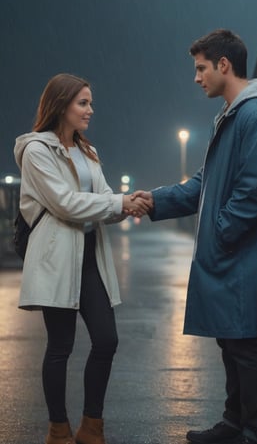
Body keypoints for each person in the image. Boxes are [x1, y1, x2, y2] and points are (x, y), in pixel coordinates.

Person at [132, 29, 257, 444]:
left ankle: (256, 431)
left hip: (244, 255)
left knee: (246, 345)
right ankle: (234, 423)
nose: (197, 78)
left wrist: (220, 233)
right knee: (231, 342)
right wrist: (156, 199)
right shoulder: (234, 115)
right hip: (234, 254)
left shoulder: (256, 116)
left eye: (201, 68)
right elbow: (204, 184)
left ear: (223, 64)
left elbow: (255, 191)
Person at [14, 73, 152, 444]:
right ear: (61, 104)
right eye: (83, 103)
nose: (91, 110)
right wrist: (117, 202)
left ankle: (92, 427)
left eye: (90, 102)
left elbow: (105, 200)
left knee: (106, 341)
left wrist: (129, 204)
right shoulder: (36, 151)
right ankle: (58, 429)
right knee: (60, 346)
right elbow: (66, 203)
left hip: (90, 255)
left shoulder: (88, 152)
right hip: (57, 257)